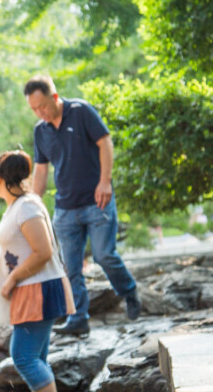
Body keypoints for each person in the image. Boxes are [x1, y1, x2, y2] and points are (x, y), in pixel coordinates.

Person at [24, 75, 140, 336]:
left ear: (54, 97)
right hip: (65, 208)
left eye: (42, 106)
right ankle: (78, 318)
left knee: (104, 255)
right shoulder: (40, 131)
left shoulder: (81, 111)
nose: (39, 112)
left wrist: (105, 182)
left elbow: (105, 143)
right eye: (34, 109)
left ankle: (130, 292)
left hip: (97, 201)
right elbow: (41, 171)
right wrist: (32, 204)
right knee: (70, 266)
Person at [0, 151, 75, 392]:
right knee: (36, 358)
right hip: (32, 289)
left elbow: (43, 251)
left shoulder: (27, 206)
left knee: (23, 357)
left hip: (39, 288)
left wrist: (13, 278)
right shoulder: (17, 206)